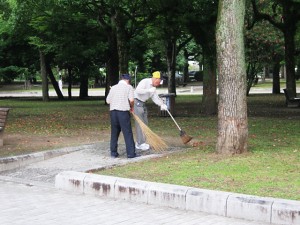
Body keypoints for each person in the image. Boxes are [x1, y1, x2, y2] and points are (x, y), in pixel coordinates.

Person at [106, 74, 140, 158]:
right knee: (127, 132)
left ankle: (113, 153)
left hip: (113, 112)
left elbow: (108, 101)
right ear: (128, 80)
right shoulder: (129, 87)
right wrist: (131, 107)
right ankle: (131, 153)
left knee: (114, 132)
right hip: (123, 112)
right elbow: (132, 100)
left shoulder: (113, 87)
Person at [134, 71, 168, 151]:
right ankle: (140, 143)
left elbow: (155, 98)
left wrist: (162, 104)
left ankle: (142, 141)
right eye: (159, 81)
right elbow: (138, 91)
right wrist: (148, 90)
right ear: (155, 78)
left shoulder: (153, 87)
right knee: (140, 123)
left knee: (145, 123)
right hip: (137, 102)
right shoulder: (144, 82)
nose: (159, 84)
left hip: (143, 104)